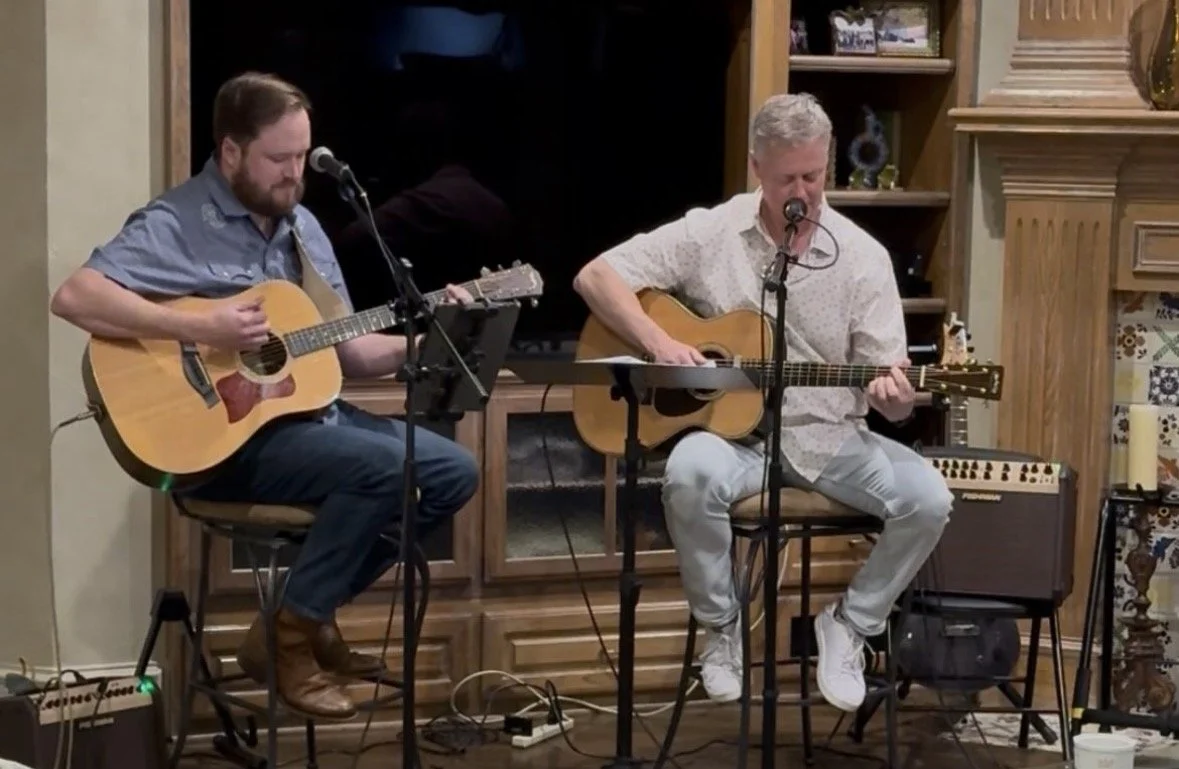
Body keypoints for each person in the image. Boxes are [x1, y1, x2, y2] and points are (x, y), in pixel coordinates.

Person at [49, 72, 480, 721]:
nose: (292, 174)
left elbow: (350, 352)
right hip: (221, 442)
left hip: (303, 421)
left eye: (302, 157)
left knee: (453, 471)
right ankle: (291, 636)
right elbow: (75, 296)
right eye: (278, 159)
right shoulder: (177, 221)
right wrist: (199, 326)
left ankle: (297, 615)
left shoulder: (302, 227)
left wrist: (428, 340)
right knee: (385, 467)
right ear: (230, 153)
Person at [572, 93, 953, 712]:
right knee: (689, 474)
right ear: (756, 170)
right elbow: (595, 277)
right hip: (730, 438)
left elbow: (891, 400)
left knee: (929, 499)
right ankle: (722, 628)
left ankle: (851, 624)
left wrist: (896, 398)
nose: (804, 190)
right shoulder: (711, 232)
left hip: (828, 438)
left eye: (813, 174)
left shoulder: (863, 259)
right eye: (787, 179)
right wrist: (662, 343)